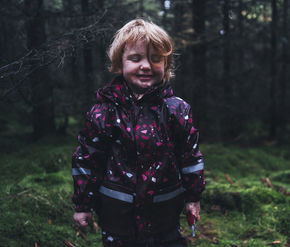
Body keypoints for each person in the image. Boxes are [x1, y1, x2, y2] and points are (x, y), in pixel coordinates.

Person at [71, 19, 205, 247]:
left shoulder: (176, 109)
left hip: (164, 211)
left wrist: (193, 197)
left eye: (155, 59)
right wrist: (83, 205)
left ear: (166, 65)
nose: (146, 65)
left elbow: (190, 157)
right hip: (118, 215)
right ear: (119, 64)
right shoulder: (103, 112)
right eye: (136, 58)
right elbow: (88, 160)